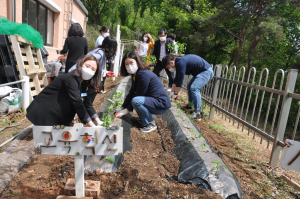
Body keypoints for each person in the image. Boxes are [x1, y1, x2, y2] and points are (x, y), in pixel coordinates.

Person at [26, 55, 103, 127]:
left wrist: (98, 121)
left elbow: (86, 101)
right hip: (44, 112)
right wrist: (92, 125)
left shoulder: (82, 82)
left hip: (55, 115)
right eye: (87, 66)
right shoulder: (71, 79)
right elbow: (77, 102)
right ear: (81, 64)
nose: (89, 70)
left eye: (93, 69)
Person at [115, 52, 171, 132]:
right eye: (126, 64)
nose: (129, 66)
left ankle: (151, 123)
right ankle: (144, 119)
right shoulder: (135, 75)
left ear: (137, 62)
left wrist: (127, 110)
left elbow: (139, 94)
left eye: (131, 62)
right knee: (136, 100)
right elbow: (132, 92)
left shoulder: (144, 75)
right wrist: (122, 107)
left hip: (161, 104)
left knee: (136, 101)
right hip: (154, 102)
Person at [162, 54, 214, 120]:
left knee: (194, 88)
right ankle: (190, 105)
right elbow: (176, 79)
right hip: (200, 72)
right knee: (189, 86)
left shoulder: (181, 63)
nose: (169, 69)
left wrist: (175, 94)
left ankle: (198, 113)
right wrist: (172, 92)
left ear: (172, 62)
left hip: (206, 71)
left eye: (168, 67)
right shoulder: (179, 62)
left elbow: (180, 81)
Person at [68, 36, 117, 102]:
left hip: (82, 75)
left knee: (83, 93)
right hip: (79, 74)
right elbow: (87, 61)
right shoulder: (100, 54)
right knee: (89, 94)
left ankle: (84, 105)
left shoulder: (100, 52)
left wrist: (105, 72)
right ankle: (85, 106)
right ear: (111, 48)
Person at [95, 26, 114, 93]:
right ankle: (98, 88)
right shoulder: (100, 39)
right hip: (100, 58)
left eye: (108, 32)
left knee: (102, 74)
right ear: (102, 32)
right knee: (100, 74)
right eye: (106, 32)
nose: (107, 33)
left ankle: (100, 88)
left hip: (103, 59)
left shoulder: (104, 38)